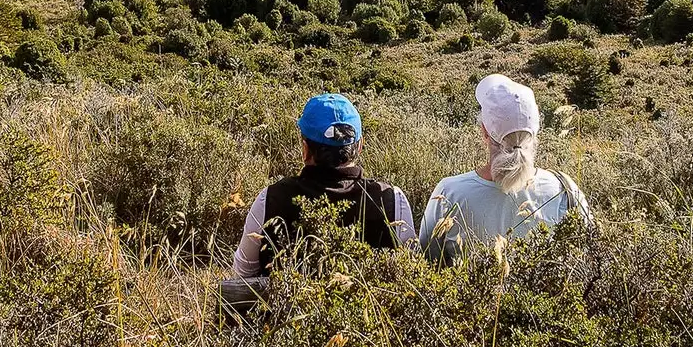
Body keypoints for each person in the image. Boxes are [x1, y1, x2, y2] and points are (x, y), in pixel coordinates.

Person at [230, 92, 416, 278]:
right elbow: (411, 270)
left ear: (305, 149)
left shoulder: (270, 198)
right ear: (359, 146)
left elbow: (243, 273)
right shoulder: (391, 199)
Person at [420, 74, 593, 264]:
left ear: (484, 131)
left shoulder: (449, 194)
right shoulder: (565, 189)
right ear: (535, 133)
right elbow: (589, 251)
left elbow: (430, 261)